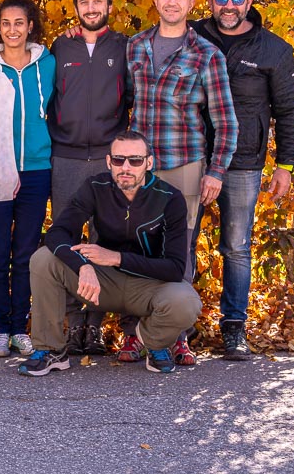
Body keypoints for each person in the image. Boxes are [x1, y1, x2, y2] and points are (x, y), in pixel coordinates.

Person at [21, 130, 202, 376]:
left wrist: (116, 258)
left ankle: (153, 343)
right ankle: (51, 350)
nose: (126, 167)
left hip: (149, 286)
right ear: (109, 162)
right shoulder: (96, 187)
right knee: (43, 259)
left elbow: (174, 268)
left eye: (135, 160)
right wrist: (82, 266)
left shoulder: (170, 198)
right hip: (101, 283)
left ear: (148, 163)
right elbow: (58, 233)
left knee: (187, 301)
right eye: (118, 160)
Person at [191, 0, 294, 360]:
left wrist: (286, 165)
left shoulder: (273, 49)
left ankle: (234, 327)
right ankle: (179, 328)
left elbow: (289, 112)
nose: (228, 6)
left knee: (236, 246)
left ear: (250, 0)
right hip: (191, 156)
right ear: (209, 1)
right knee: (180, 242)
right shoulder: (192, 38)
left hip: (244, 161)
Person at [126, 0, 237, 365]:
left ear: (191, 5)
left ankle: (176, 337)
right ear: (155, 1)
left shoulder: (207, 54)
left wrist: (216, 171)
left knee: (180, 252)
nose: (172, 2)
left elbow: (225, 121)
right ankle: (134, 334)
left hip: (185, 165)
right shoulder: (135, 46)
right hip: (138, 168)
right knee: (133, 246)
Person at [47, 0, 131, 356]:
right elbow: (48, 100)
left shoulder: (125, 47)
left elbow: (130, 98)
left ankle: (94, 326)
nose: (91, 8)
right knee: (65, 239)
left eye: (98, 1)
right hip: (64, 157)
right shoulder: (60, 47)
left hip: (106, 160)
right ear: (76, 8)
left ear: (108, 6)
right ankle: (71, 323)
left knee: (102, 241)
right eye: (85, 2)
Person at [0, 0, 55, 358]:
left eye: (19, 23)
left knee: (25, 251)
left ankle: (20, 329)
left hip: (37, 169)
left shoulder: (48, 64)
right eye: (6, 23)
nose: (12, 30)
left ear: (30, 27)